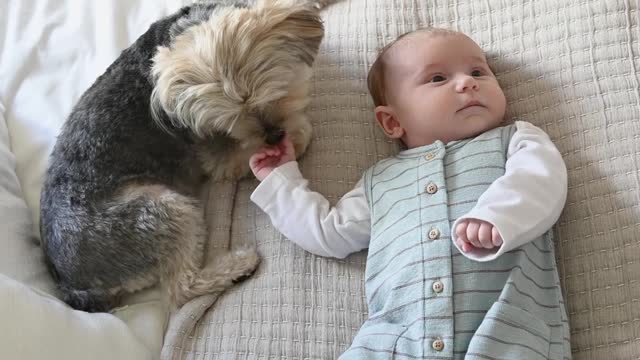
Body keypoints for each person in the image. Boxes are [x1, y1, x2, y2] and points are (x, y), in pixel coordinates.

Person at [249, 28, 570, 359]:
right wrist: (280, 178)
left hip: (502, 331)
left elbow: (540, 181)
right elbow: (328, 232)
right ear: (391, 123)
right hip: (394, 340)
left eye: (478, 72)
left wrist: (499, 215)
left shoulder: (515, 140)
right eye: (437, 78)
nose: (467, 83)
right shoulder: (381, 181)